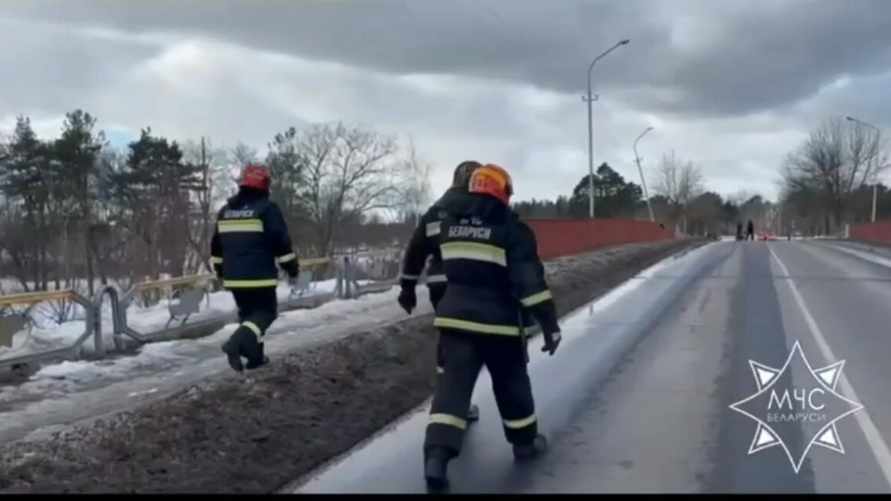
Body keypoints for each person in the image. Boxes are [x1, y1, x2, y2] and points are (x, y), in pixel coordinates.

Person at [421, 163, 561, 491]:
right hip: (499, 327)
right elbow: (531, 285)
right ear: (503, 193)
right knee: (511, 383)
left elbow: (438, 266)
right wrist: (549, 323)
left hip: (454, 323)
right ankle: (525, 443)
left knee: (452, 391)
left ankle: (436, 458)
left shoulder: (450, 226)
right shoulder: (512, 230)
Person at [399, 160, 483, 423]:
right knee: (473, 340)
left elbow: (415, 250)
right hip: (471, 283)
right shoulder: (484, 209)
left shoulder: (436, 212)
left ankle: (445, 396)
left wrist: (407, 288)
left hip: (439, 285)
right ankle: (461, 401)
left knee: (450, 338)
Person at [211, 163, 299, 372]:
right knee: (266, 313)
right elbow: (281, 242)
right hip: (259, 275)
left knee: (249, 317)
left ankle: (255, 358)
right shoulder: (267, 209)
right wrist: (291, 266)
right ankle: (234, 343)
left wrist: (221, 271)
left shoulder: (226, 211)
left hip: (233, 277)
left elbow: (216, 245)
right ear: (265, 186)